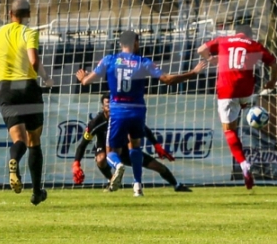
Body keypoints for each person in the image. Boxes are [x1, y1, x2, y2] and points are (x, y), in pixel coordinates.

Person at [76, 31, 206, 196]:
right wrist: (193, 73)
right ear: (136, 43)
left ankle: (118, 166)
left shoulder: (109, 60)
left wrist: (82, 77)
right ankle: (137, 186)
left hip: (118, 111)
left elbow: (87, 81)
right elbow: (168, 79)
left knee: (111, 153)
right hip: (137, 110)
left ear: (120, 44)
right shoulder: (143, 62)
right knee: (135, 146)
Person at [0, 0, 53, 205]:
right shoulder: (29, 33)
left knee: (19, 140)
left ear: (10, 13)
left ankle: (14, 160)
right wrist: (46, 78)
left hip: (6, 89)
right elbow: (34, 60)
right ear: (28, 14)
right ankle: (37, 192)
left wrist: (0, 73)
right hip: (28, 87)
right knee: (34, 140)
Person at [197, 24, 277, 190]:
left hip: (226, 89)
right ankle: (247, 108)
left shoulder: (222, 40)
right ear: (249, 35)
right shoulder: (253, 44)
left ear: (235, 32)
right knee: (244, 107)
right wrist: (272, 81)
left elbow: (201, 50)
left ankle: (244, 164)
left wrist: (211, 59)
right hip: (246, 89)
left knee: (229, 130)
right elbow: (274, 65)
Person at [72, 94, 191, 193]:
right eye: (107, 104)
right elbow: (83, 144)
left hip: (126, 150)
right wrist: (76, 164)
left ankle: (177, 185)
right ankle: (111, 180)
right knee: (101, 159)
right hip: (106, 150)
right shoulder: (96, 123)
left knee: (159, 167)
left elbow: (143, 128)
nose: (110, 106)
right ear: (103, 107)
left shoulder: (123, 117)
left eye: (112, 103)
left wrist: (156, 145)